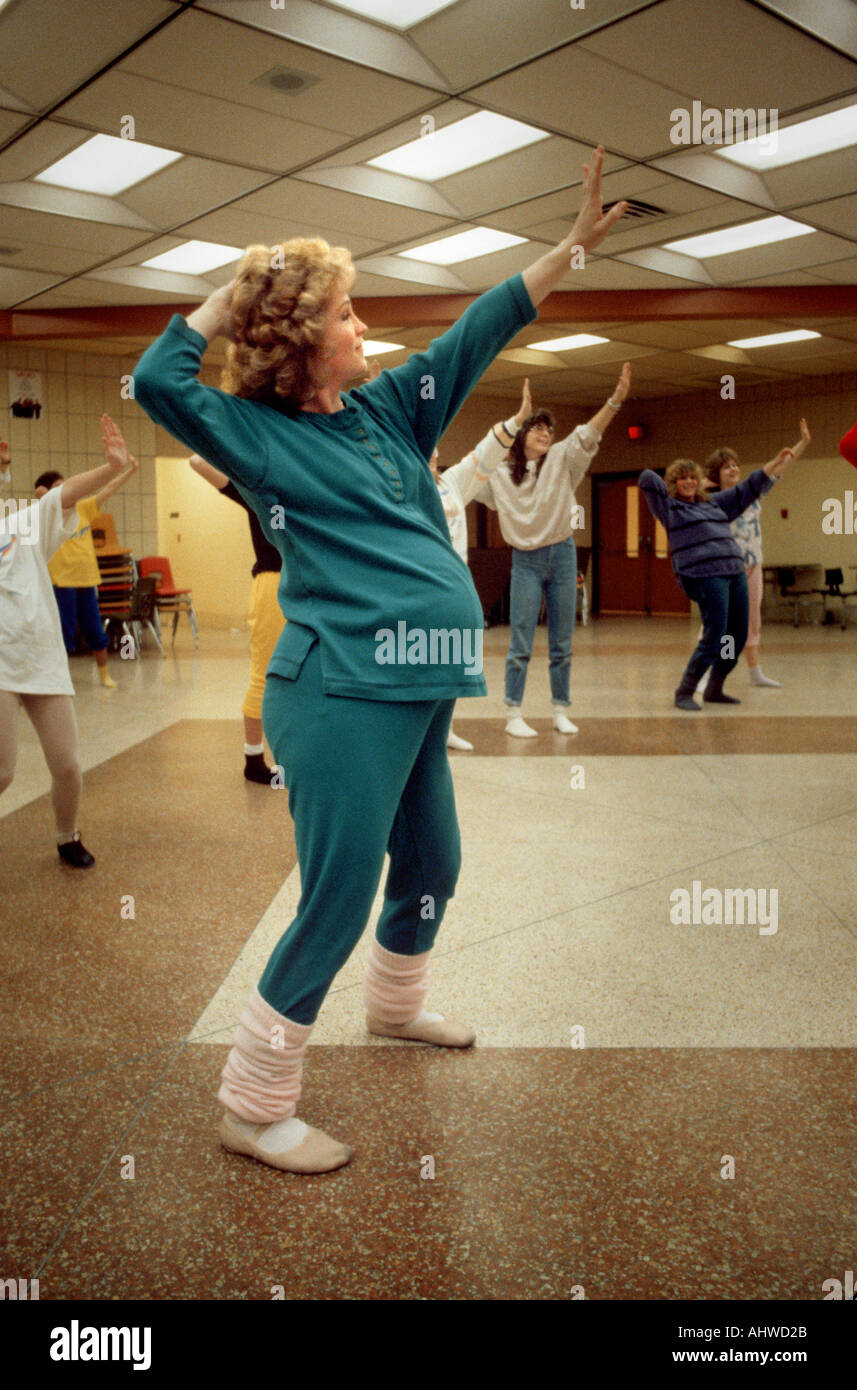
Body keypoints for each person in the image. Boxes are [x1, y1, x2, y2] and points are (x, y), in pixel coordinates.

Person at [133, 146, 627, 1175]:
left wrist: (563, 251)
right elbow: (156, 379)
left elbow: (478, 328)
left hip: (415, 686)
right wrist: (239, 293)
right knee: (334, 896)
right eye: (346, 313)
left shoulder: (389, 408)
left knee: (434, 864)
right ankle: (254, 1103)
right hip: (338, 692)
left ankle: (394, 1006)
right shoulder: (259, 435)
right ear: (303, 339)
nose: (364, 325)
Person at [0, 418, 134, 866]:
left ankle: (66, 836)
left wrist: (112, 466)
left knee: (68, 766)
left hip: (41, 661)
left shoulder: (21, 526)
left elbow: (66, 494)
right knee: (2, 772)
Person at [475, 364, 631, 737]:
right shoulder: (498, 473)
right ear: (521, 435)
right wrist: (516, 419)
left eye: (548, 429)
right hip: (525, 560)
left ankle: (560, 709)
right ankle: (514, 713)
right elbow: (470, 472)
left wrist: (615, 401)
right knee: (521, 640)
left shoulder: (564, 459)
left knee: (562, 641)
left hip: (562, 553)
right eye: (537, 427)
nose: (545, 433)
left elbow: (589, 434)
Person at [639, 444, 800, 711]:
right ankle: (686, 690)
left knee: (735, 636)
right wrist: (692, 477)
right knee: (715, 634)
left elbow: (747, 488)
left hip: (734, 571)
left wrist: (774, 461)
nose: (689, 481)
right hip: (705, 575)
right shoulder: (670, 509)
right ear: (674, 482)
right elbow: (646, 478)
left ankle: (716, 685)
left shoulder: (714, 504)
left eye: (692, 477)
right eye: (684, 477)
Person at [431, 378, 533, 750]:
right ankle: (418, 735)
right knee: (421, 664)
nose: (432, 457)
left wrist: (517, 421)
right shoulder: (398, 490)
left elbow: (484, 456)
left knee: (453, 662)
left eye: (435, 452)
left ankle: (445, 728)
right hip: (419, 591)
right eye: (424, 451)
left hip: (455, 590)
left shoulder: (452, 484)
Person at [188, 453, 285, 783]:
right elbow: (197, 461)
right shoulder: (258, 491)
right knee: (264, 673)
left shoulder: (307, 488)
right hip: (274, 585)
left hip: (309, 585)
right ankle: (253, 759)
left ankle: (298, 753)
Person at [702, 421, 810, 688]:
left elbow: (780, 467)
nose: (734, 469)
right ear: (717, 474)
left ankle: (754, 673)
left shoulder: (752, 494)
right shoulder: (711, 501)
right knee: (716, 620)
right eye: (727, 466)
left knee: (752, 620)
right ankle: (703, 674)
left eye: (735, 465)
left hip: (752, 566)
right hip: (724, 570)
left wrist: (803, 443)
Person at [35, 435, 138, 689]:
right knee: (64, 633)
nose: (66, 490)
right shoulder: (48, 514)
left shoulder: (83, 509)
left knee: (95, 629)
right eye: (58, 488)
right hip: (62, 582)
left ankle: (104, 674)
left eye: (66, 485)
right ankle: (56, 679)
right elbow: (40, 496)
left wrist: (130, 470)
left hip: (87, 581)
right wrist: (46, 493)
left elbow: (109, 489)